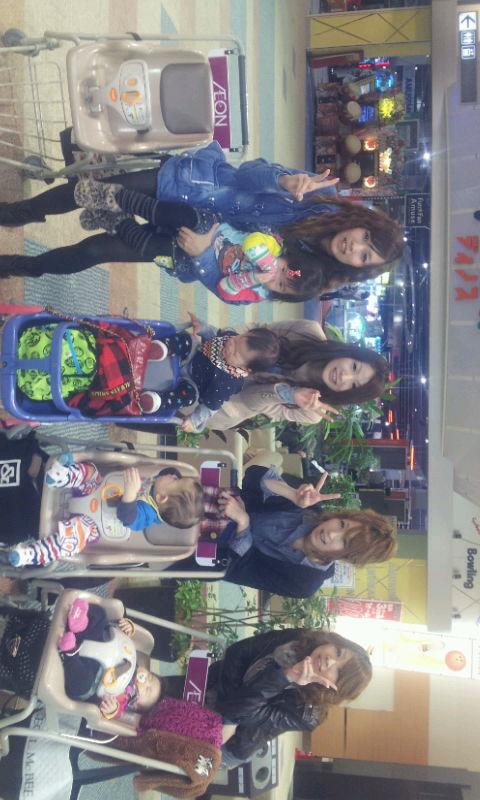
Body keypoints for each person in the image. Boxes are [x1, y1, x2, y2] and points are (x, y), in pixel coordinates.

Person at [0, 142, 404, 288]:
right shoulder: (320, 194)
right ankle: (18, 212)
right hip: (195, 188)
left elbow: (243, 290)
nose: (354, 247)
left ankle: (20, 267)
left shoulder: (309, 274)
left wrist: (204, 255)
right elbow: (247, 173)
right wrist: (282, 180)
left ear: (358, 267)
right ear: (362, 223)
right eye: (365, 239)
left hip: (190, 244)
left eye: (364, 256)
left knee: (95, 251)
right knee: (91, 192)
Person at [163, 627, 372, 766]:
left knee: (156, 743)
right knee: (152, 689)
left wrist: (286, 677)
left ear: (335, 688)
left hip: (229, 740)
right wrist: (225, 703)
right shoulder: (300, 640)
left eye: (338, 671)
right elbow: (238, 652)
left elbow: (239, 713)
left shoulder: (307, 713)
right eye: (338, 652)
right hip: (216, 688)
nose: (329, 661)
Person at [210, 463, 396, 597]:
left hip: (206, 553)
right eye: (342, 525)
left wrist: (243, 522)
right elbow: (252, 475)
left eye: (344, 542)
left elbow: (237, 570)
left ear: (347, 557)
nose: (331, 534)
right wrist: (291, 494)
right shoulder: (309, 509)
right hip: (214, 504)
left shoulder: (305, 582)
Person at [0, 459, 203, 567]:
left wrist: (130, 494)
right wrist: (175, 478)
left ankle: (33, 554)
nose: (173, 476)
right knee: (91, 472)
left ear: (162, 498)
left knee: (71, 543)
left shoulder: (146, 516)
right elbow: (168, 472)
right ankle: (64, 476)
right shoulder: (158, 487)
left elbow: (128, 518)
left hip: (91, 523)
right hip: (95, 490)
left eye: (176, 481)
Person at [138, 318, 281, 432]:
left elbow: (210, 408)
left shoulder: (228, 383)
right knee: (187, 339)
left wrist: (194, 421)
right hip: (191, 355)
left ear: (246, 369)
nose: (230, 346)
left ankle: (157, 400)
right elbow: (214, 334)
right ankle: (162, 348)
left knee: (188, 397)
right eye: (237, 340)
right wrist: (202, 328)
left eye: (236, 353)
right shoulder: (229, 338)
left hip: (191, 383)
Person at [59, 598, 161, 722]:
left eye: (148, 690)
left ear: (136, 706)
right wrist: (127, 628)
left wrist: (112, 709)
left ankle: (70, 652)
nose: (145, 682)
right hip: (96, 643)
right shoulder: (133, 661)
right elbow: (120, 639)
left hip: (91, 674)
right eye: (150, 677)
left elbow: (113, 714)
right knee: (101, 615)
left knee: (82, 686)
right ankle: (79, 623)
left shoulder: (122, 701)